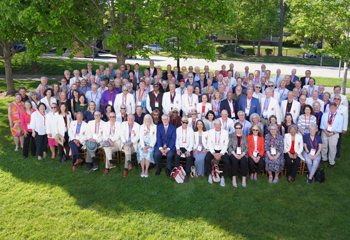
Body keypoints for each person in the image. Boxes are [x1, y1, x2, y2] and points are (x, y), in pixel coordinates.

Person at [205, 119, 230, 186]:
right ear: (214, 125)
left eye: (219, 124)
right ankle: (210, 174)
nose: (217, 126)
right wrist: (213, 153)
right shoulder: (210, 132)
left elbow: (226, 144)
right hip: (213, 150)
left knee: (227, 161)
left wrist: (221, 154)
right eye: (216, 124)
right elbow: (209, 143)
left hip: (222, 150)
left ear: (221, 125)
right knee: (207, 159)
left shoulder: (225, 132)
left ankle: (223, 177)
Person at [321, 102, 344, 168]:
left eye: (334, 107)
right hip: (325, 132)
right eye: (331, 107)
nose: (332, 108)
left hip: (334, 134)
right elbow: (322, 125)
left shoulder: (340, 116)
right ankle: (324, 158)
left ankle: (331, 161)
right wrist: (326, 132)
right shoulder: (325, 115)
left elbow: (339, 128)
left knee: (332, 148)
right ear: (329, 107)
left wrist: (332, 133)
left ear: (336, 108)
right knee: (324, 146)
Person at [228, 122, 249, 187]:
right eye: (236, 128)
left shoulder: (244, 136)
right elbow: (229, 146)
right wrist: (235, 155)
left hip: (242, 153)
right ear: (235, 128)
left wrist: (242, 155)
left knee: (243, 161)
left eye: (239, 128)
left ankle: (243, 178)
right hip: (233, 153)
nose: (238, 129)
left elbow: (246, 147)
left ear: (241, 128)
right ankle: (234, 178)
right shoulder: (231, 135)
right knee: (234, 161)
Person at [174, 117, 194, 183]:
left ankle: (187, 173)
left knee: (188, 157)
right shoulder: (178, 129)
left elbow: (191, 141)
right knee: (176, 156)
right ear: (181, 122)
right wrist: (177, 149)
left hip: (188, 147)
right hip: (180, 147)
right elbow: (176, 140)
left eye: (186, 122)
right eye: (184, 122)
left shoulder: (190, 130)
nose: (185, 124)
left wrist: (188, 150)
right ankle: (177, 171)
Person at [331, 95, 348, 159]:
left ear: (340, 101)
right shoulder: (329, 106)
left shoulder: (344, 108)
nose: (336, 100)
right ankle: (330, 153)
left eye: (338, 99)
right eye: (335, 98)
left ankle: (337, 155)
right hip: (330, 127)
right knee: (330, 141)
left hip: (339, 128)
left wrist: (344, 128)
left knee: (337, 142)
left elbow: (345, 119)